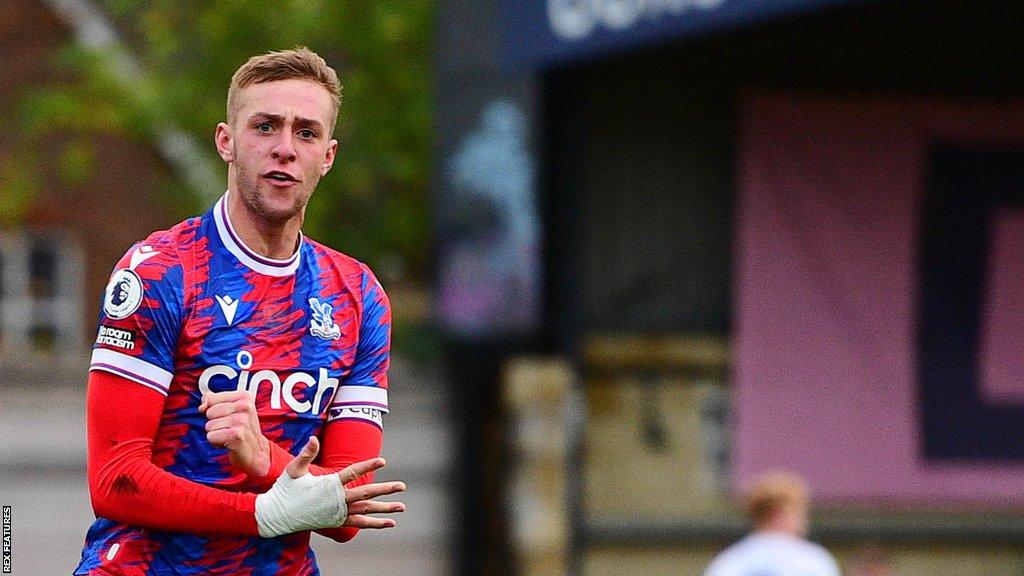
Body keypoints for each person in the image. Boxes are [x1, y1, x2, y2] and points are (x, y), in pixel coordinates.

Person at [75, 48, 406, 576]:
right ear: (226, 142)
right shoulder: (160, 273)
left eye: (306, 132)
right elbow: (115, 479)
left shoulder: (357, 295)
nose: (284, 149)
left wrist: (264, 459)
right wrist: (261, 513)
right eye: (265, 127)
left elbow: (348, 506)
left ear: (328, 155)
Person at [703, 471, 841, 576]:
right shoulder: (814, 561)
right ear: (779, 514)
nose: (804, 521)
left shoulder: (729, 562)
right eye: (800, 513)